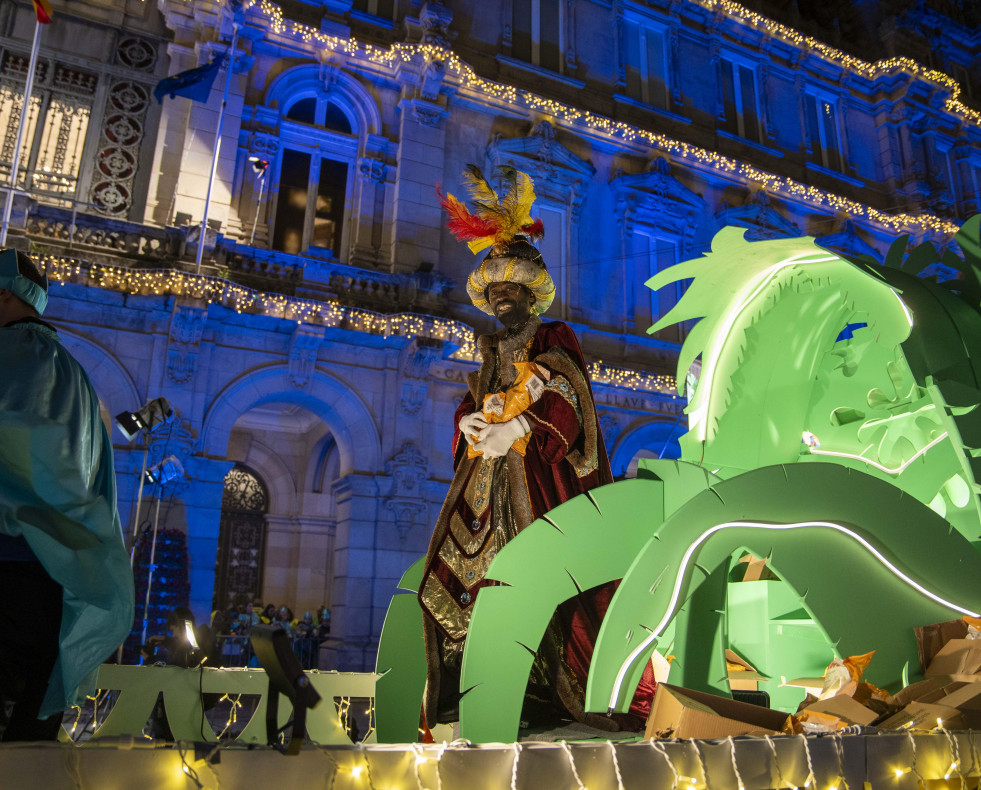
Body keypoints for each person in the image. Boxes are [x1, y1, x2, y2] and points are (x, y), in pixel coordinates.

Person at [421, 167, 629, 729]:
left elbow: (567, 388)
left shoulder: (553, 337)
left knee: (539, 583)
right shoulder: (489, 351)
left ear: (529, 293)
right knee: (473, 578)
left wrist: (520, 429)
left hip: (536, 482)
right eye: (495, 292)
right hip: (485, 486)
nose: (502, 299)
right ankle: (491, 687)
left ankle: (549, 689)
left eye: (511, 290)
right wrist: (468, 422)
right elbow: (476, 399)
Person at [0, 249, 134, 741]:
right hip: (58, 572)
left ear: (4, 295)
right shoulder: (75, 373)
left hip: (9, 563)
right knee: (32, 722)